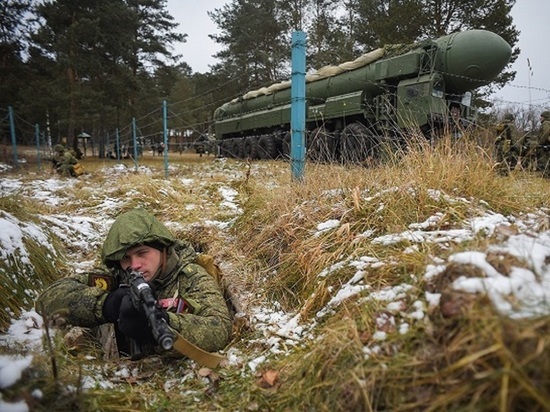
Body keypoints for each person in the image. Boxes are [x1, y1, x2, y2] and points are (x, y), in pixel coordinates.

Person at [36, 208, 232, 361]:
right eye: (126, 258)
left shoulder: (191, 277)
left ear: (163, 249)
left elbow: (219, 327)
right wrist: (106, 305)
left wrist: (162, 324)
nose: (135, 265)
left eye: (142, 253)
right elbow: (47, 300)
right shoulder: (115, 274)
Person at [528, 110, 550, 177]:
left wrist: (539, 143)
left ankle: (544, 176)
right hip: (546, 146)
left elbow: (545, 134)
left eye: (542, 117)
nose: (540, 118)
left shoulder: (546, 123)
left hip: (544, 147)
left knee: (543, 163)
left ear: (545, 117)